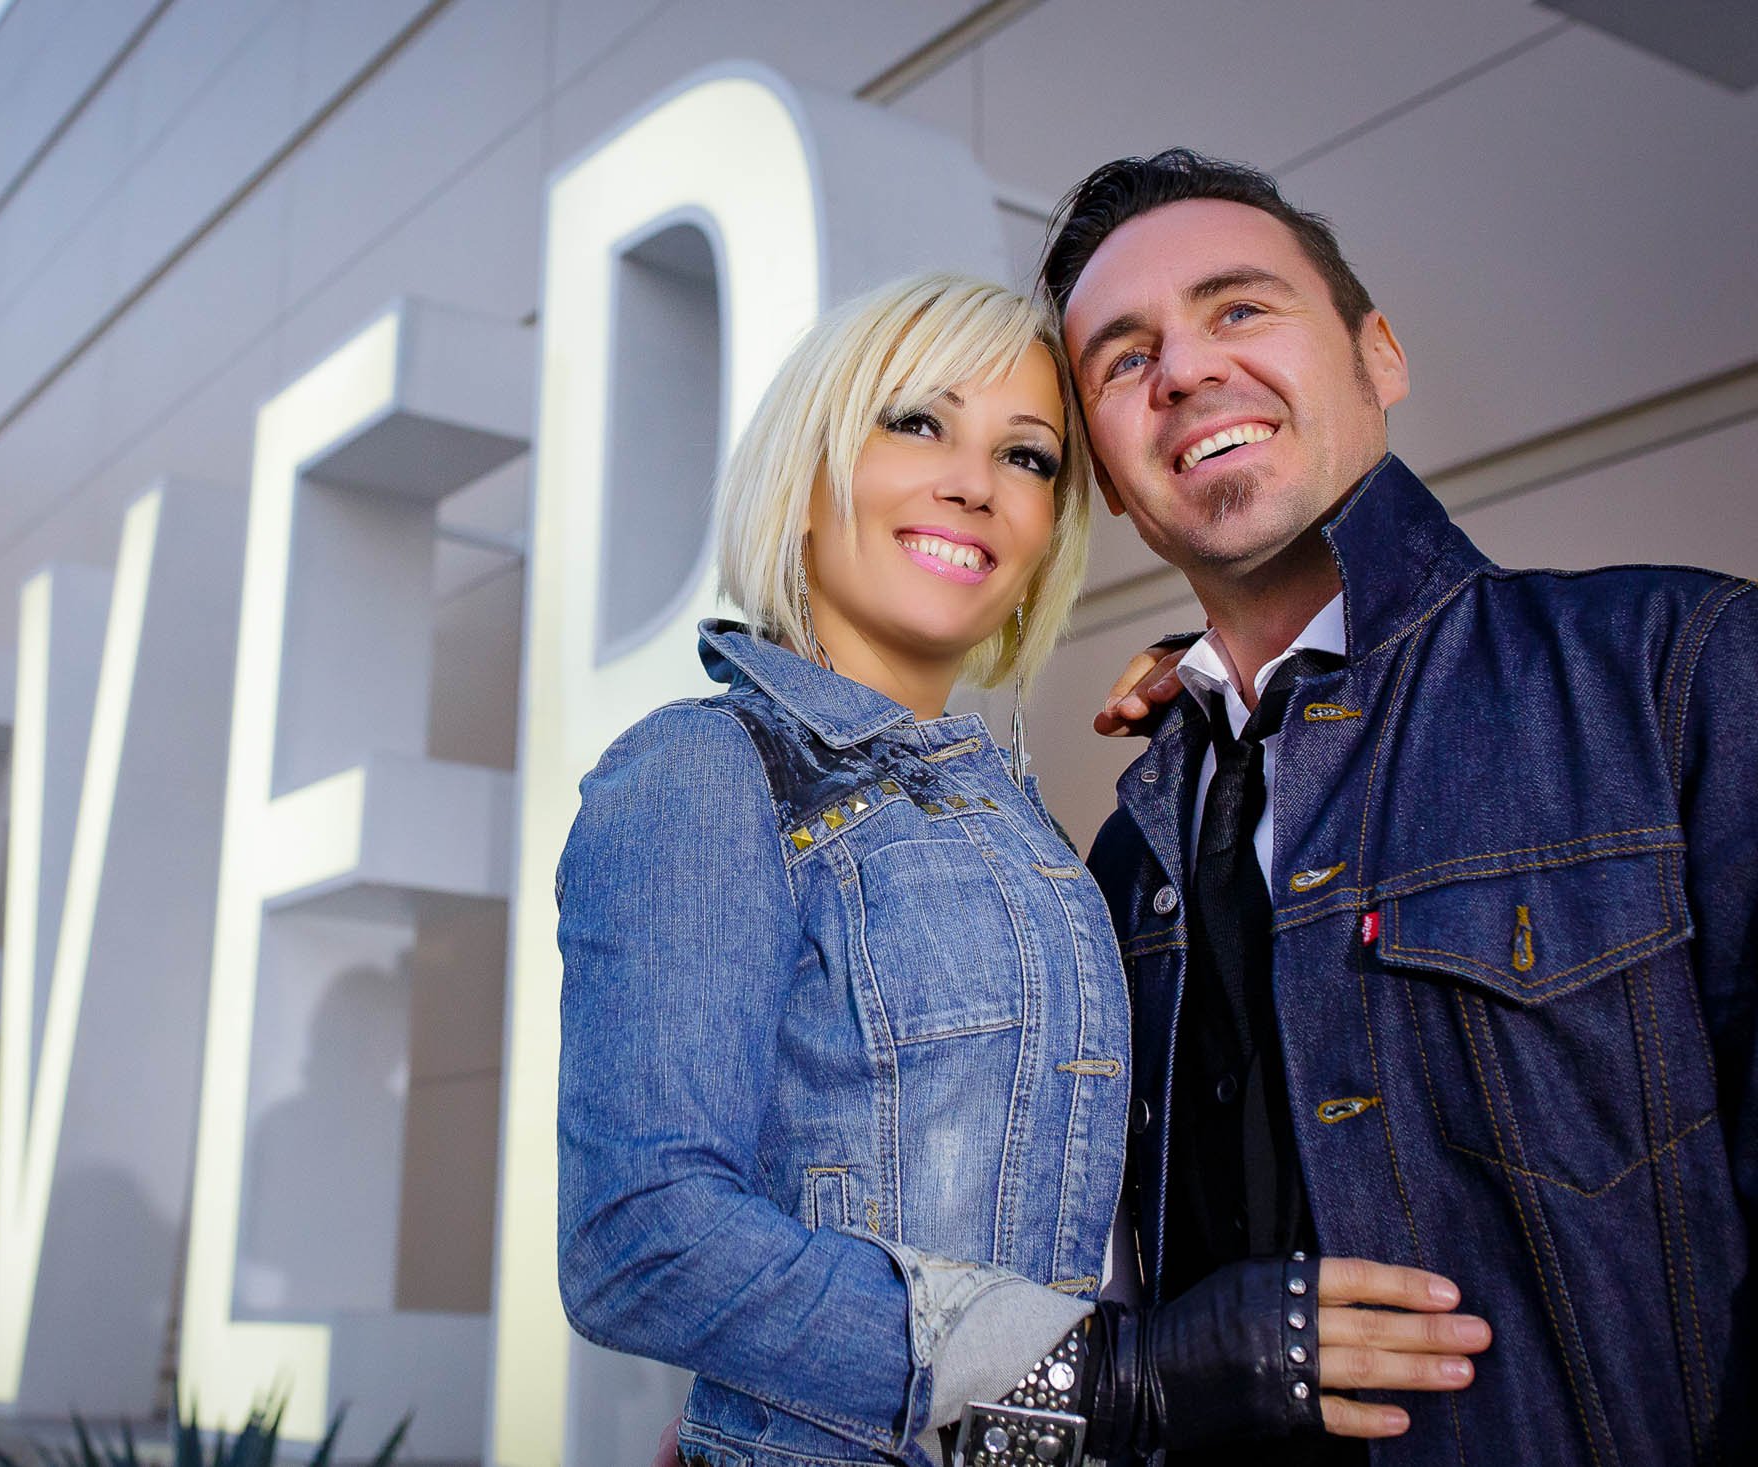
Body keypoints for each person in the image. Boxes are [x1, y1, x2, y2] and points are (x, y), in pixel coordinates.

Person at [556, 272, 1487, 1467]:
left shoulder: (1030, 825)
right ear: (799, 477)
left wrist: (1228, 714)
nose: (974, 482)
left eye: (1030, 457)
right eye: (915, 423)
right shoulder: (707, 769)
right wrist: (1122, 1376)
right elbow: (640, 1241)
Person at [1043, 150, 1756, 1465]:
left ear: (1379, 354)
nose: (1187, 369)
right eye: (1122, 358)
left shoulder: (1686, 669)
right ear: (1104, 470)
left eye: (1240, 307)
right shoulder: (1129, 850)